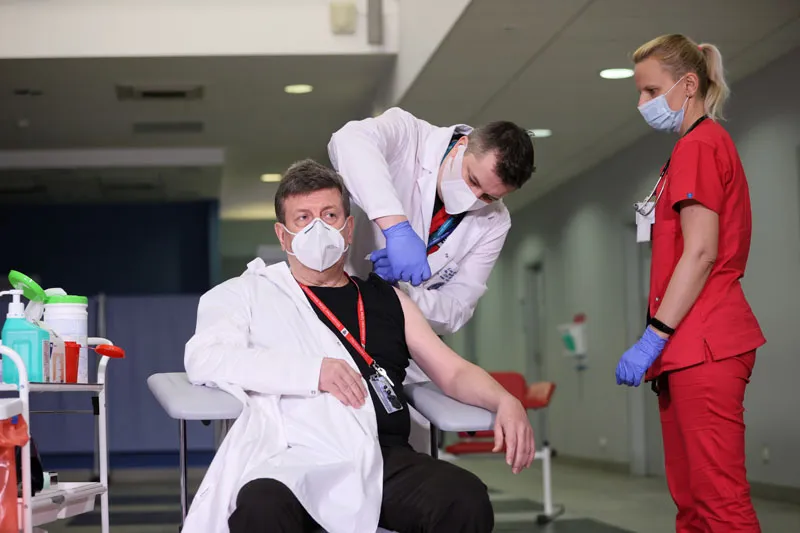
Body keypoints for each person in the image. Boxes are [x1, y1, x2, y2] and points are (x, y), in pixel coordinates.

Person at [181, 159, 536, 533]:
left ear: (348, 228)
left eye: (329, 214)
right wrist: (312, 371)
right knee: (261, 507)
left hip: (380, 458)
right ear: (283, 235)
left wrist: (505, 400)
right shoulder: (246, 294)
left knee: (462, 498)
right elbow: (206, 358)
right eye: (303, 218)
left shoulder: (388, 299)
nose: (318, 227)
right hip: (293, 456)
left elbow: (452, 370)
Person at [615, 34, 765, 532]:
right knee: (694, 506)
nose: (642, 103)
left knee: (719, 503)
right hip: (686, 349)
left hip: (705, 344)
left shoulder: (700, 145)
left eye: (650, 91)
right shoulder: (693, 146)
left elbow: (700, 253)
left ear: (688, 84)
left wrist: (653, 336)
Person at [328, 107, 535, 336]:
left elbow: (456, 309)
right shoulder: (410, 135)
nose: (473, 198)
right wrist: (397, 228)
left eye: (489, 197)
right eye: (472, 180)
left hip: (400, 333)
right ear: (460, 146)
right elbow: (349, 140)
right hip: (337, 305)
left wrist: (402, 291)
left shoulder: (496, 221)